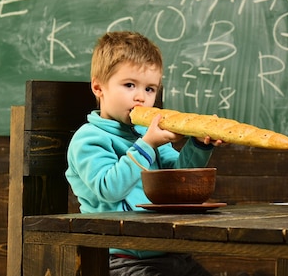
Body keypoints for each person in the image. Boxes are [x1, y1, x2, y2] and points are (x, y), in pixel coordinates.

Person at [66, 31, 222, 276]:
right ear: (98, 87)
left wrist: (199, 145)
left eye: (150, 89)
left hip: (169, 253)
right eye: (129, 85)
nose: (141, 97)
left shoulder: (147, 133)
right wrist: (147, 145)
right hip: (118, 258)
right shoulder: (89, 139)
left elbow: (175, 182)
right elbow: (109, 188)